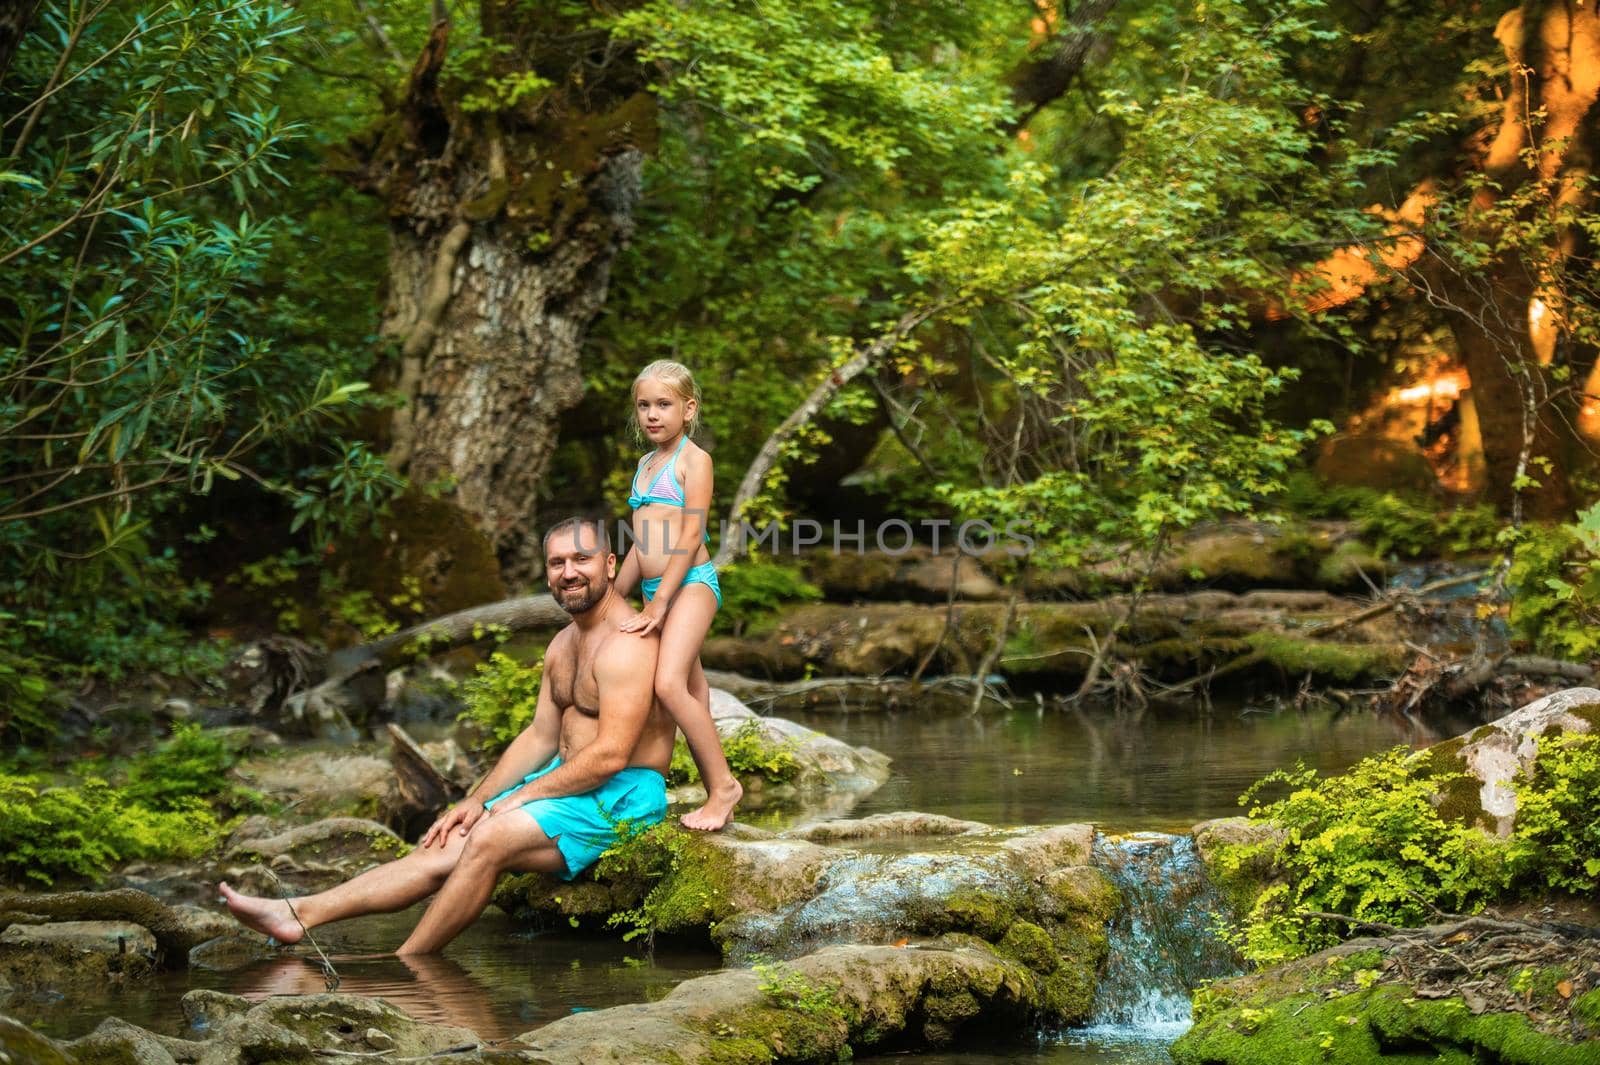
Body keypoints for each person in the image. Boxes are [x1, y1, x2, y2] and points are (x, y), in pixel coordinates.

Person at [217, 517, 674, 955]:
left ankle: (406, 967)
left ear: (610, 565)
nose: (569, 573)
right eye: (557, 563)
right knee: (441, 842)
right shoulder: (563, 645)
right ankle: (297, 914)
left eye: (582, 559)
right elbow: (539, 736)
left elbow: (611, 755)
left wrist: (516, 800)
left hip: (620, 794)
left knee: (489, 839)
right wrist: (474, 801)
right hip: (566, 783)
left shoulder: (627, 644)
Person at [613, 360, 741, 831]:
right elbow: (641, 544)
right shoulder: (646, 464)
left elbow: (689, 537)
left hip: (689, 586)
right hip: (655, 588)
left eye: (663, 405)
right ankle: (703, 788)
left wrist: (660, 602)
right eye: (643, 405)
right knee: (692, 689)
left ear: (688, 409)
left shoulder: (694, 461)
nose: (652, 414)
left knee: (669, 684)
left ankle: (725, 788)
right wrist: (611, 599)